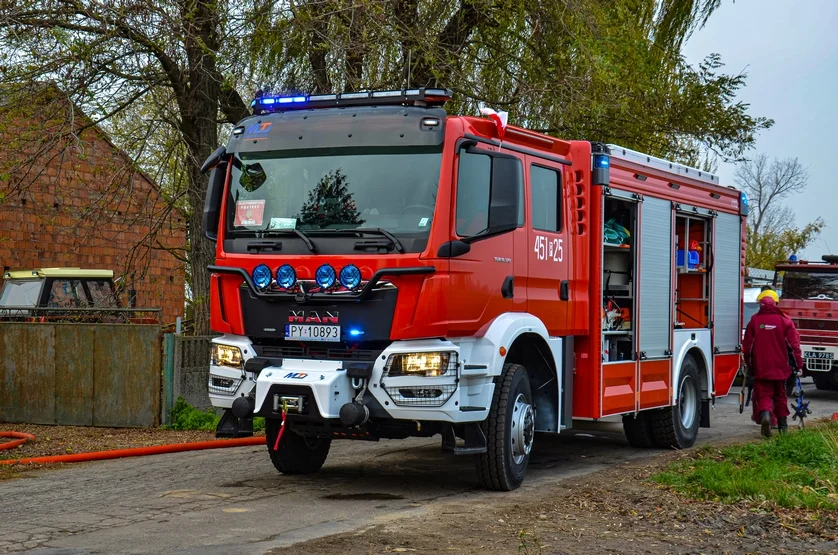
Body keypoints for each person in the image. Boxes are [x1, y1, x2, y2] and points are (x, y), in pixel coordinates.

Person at [742, 289, 804, 437]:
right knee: (780, 395)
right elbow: (794, 346)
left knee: (763, 395)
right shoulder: (785, 320)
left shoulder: (754, 321)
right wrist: (798, 365)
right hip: (781, 369)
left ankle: (765, 414)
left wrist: (750, 366)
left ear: (760, 304)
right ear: (776, 303)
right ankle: (783, 426)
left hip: (761, 368)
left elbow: (748, 348)